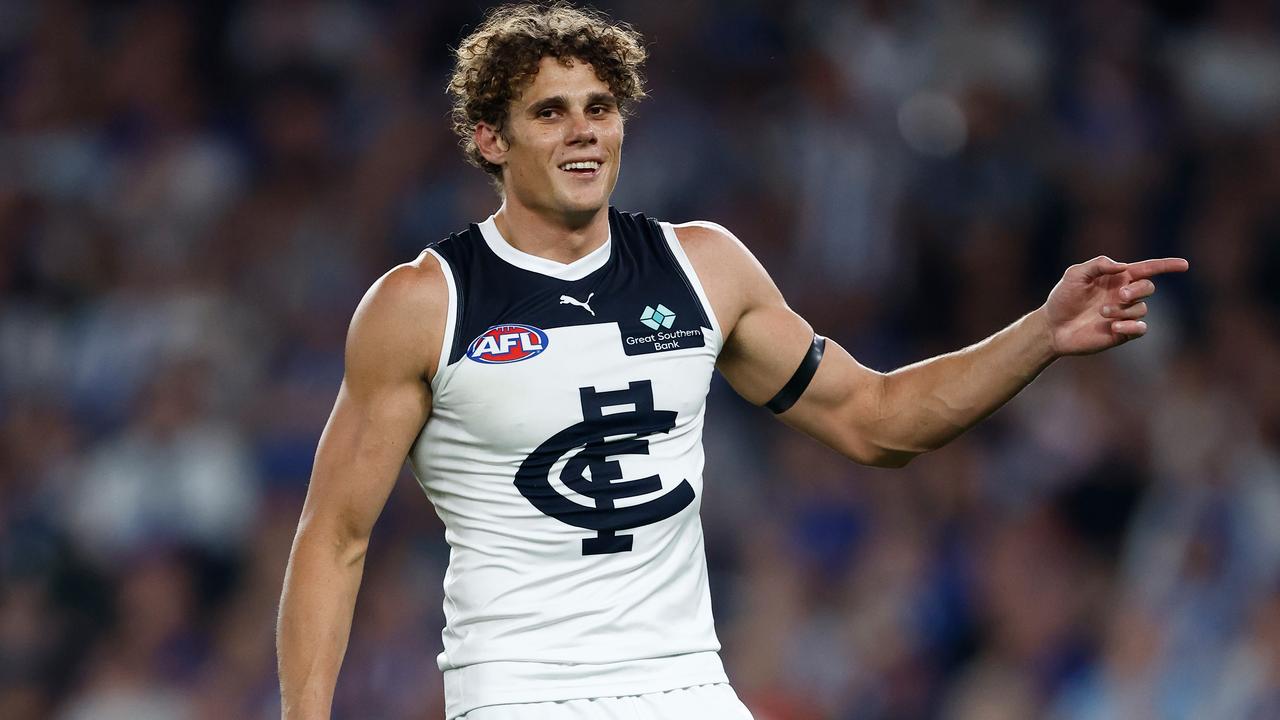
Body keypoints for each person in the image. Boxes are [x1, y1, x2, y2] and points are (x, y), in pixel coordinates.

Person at [276, 4, 1189, 719]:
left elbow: (877, 422)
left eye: (600, 107)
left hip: (690, 691)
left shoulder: (704, 268)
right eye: (548, 113)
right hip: (520, 692)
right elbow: (335, 537)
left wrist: (1040, 332)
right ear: (489, 139)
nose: (584, 131)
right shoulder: (423, 305)